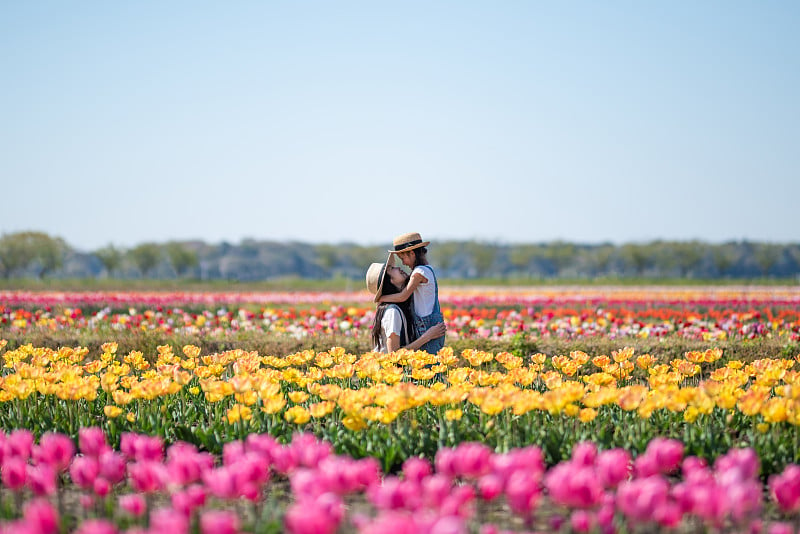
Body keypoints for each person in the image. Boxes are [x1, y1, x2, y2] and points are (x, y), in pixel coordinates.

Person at [378, 232, 445, 354]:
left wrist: (381, 297)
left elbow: (403, 296)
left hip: (427, 326)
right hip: (428, 324)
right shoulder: (426, 269)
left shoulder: (419, 272)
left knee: (429, 366)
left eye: (403, 258)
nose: (403, 263)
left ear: (412, 253)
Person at [366, 260, 446, 353]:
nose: (398, 267)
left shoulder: (404, 305)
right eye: (391, 269)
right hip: (389, 367)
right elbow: (394, 354)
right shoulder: (392, 312)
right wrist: (428, 336)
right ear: (389, 281)